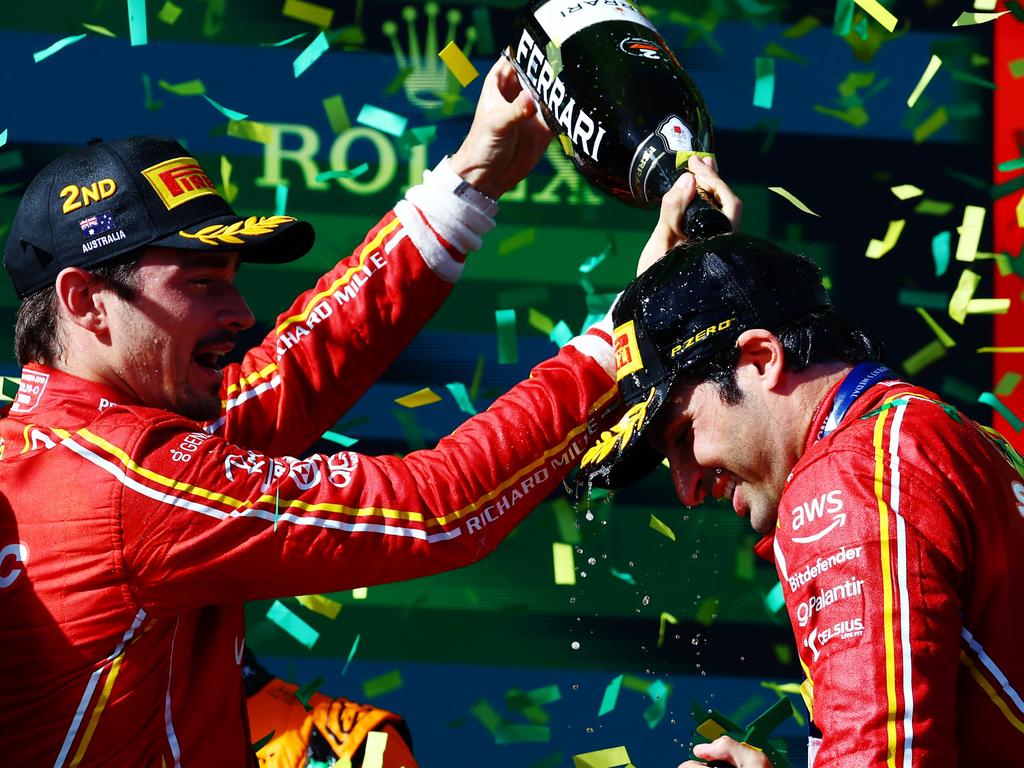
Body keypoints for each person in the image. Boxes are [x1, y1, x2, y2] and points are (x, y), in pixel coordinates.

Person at [0, 57, 632, 766]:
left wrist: (471, 179)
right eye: (201, 282)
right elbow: (438, 507)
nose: (239, 313)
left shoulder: (74, 446)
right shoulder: (128, 488)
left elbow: (298, 367)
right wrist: (620, 344)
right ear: (84, 301)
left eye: (233, 279)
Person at [576, 231, 1024, 766]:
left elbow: (884, 757)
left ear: (762, 358)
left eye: (682, 435)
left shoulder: (846, 475)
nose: (686, 488)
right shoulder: (947, 433)